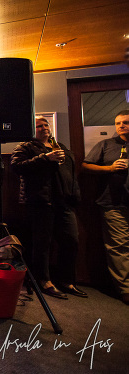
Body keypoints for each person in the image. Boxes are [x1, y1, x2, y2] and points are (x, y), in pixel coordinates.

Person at [10, 116, 85, 299]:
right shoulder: (26, 146)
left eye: (46, 125)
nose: (44, 128)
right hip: (42, 202)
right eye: (39, 126)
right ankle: (44, 281)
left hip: (64, 201)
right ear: (31, 129)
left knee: (71, 240)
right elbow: (16, 166)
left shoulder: (60, 146)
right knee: (42, 243)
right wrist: (45, 157)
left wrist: (74, 195)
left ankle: (66, 281)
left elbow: (70, 174)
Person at [82, 110, 129, 305]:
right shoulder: (106, 145)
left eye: (125, 122)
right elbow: (86, 166)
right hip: (113, 202)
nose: (121, 126)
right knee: (119, 246)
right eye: (118, 123)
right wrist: (109, 168)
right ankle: (126, 290)